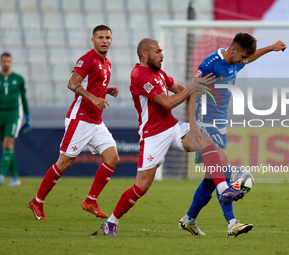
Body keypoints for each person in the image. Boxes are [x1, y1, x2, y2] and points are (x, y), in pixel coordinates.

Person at [100, 38, 246, 236]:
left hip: (172, 127)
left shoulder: (159, 74)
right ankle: (111, 222)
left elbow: (181, 90)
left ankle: (223, 189)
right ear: (144, 54)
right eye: (158, 51)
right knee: (142, 186)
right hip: (152, 135)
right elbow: (168, 103)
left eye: (162, 51)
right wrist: (194, 87)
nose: (162, 55)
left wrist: (203, 90)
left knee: (207, 140)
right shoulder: (139, 76)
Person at [179, 33, 287, 237]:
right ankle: (232, 223)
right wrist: (193, 126)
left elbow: (249, 58)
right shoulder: (210, 65)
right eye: (243, 56)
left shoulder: (236, 61)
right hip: (205, 122)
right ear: (233, 49)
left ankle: (189, 219)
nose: (244, 61)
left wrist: (271, 48)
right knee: (224, 163)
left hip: (220, 124)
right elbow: (192, 93)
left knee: (212, 179)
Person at [28, 25, 120, 220]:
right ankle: (37, 201)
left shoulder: (107, 63)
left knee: (113, 158)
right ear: (93, 40)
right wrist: (93, 98)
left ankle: (90, 201)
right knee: (64, 163)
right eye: (100, 37)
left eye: (108, 37)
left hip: (96, 120)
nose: (104, 40)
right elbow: (72, 83)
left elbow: (93, 85)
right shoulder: (87, 59)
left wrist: (105, 91)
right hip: (80, 119)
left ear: (111, 40)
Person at [0, 52, 31, 186]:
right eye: (4, 61)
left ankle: (1, 175)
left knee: (8, 143)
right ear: (1, 62)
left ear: (11, 62)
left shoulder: (18, 79)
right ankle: (15, 178)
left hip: (13, 115)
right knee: (7, 148)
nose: (6, 63)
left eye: (8, 61)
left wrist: (28, 116)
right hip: (0, 115)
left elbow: (23, 98)